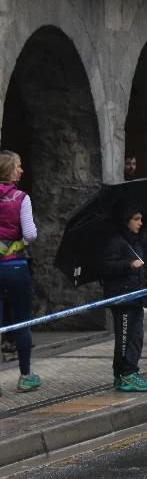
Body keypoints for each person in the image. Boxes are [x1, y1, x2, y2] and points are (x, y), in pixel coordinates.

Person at [102, 202, 147, 392]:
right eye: (136, 219)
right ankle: (126, 373)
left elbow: (139, 267)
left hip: (135, 295)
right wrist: (128, 265)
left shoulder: (135, 240)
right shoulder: (115, 241)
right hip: (123, 298)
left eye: (141, 219)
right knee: (126, 337)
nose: (140, 223)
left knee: (136, 336)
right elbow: (107, 267)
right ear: (126, 220)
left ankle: (124, 373)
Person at [0, 151, 41, 393]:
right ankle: (25, 376)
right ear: (8, 170)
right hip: (15, 267)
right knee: (22, 322)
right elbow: (30, 234)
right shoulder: (21, 198)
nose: (21, 170)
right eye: (18, 166)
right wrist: (21, 243)